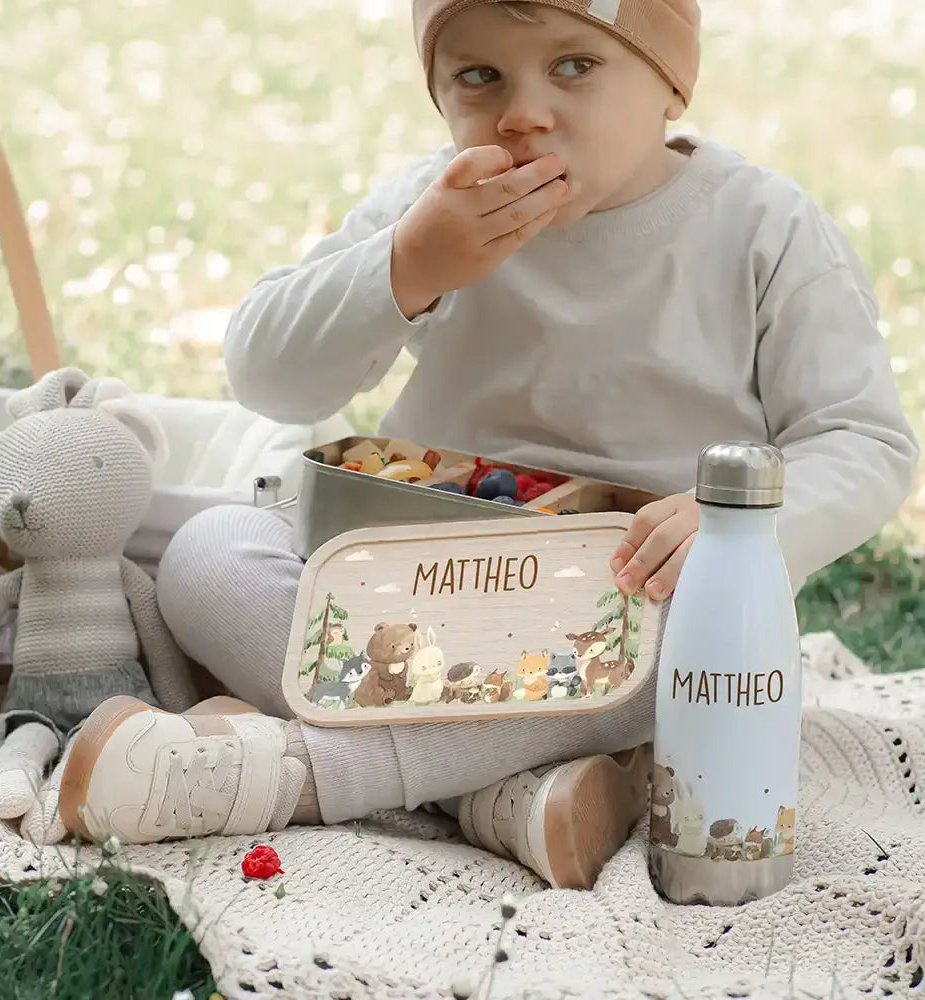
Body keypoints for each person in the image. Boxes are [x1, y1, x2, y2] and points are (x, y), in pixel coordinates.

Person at [55, 0, 918, 890]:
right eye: (479, 77)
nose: (523, 113)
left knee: (677, 657)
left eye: (575, 66)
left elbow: (860, 439)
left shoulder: (761, 227)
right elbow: (271, 376)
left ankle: (295, 775)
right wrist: (405, 267)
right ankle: (496, 791)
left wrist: (730, 531)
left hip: (628, 592)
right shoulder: (433, 207)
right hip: (414, 585)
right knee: (210, 555)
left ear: (670, 83)